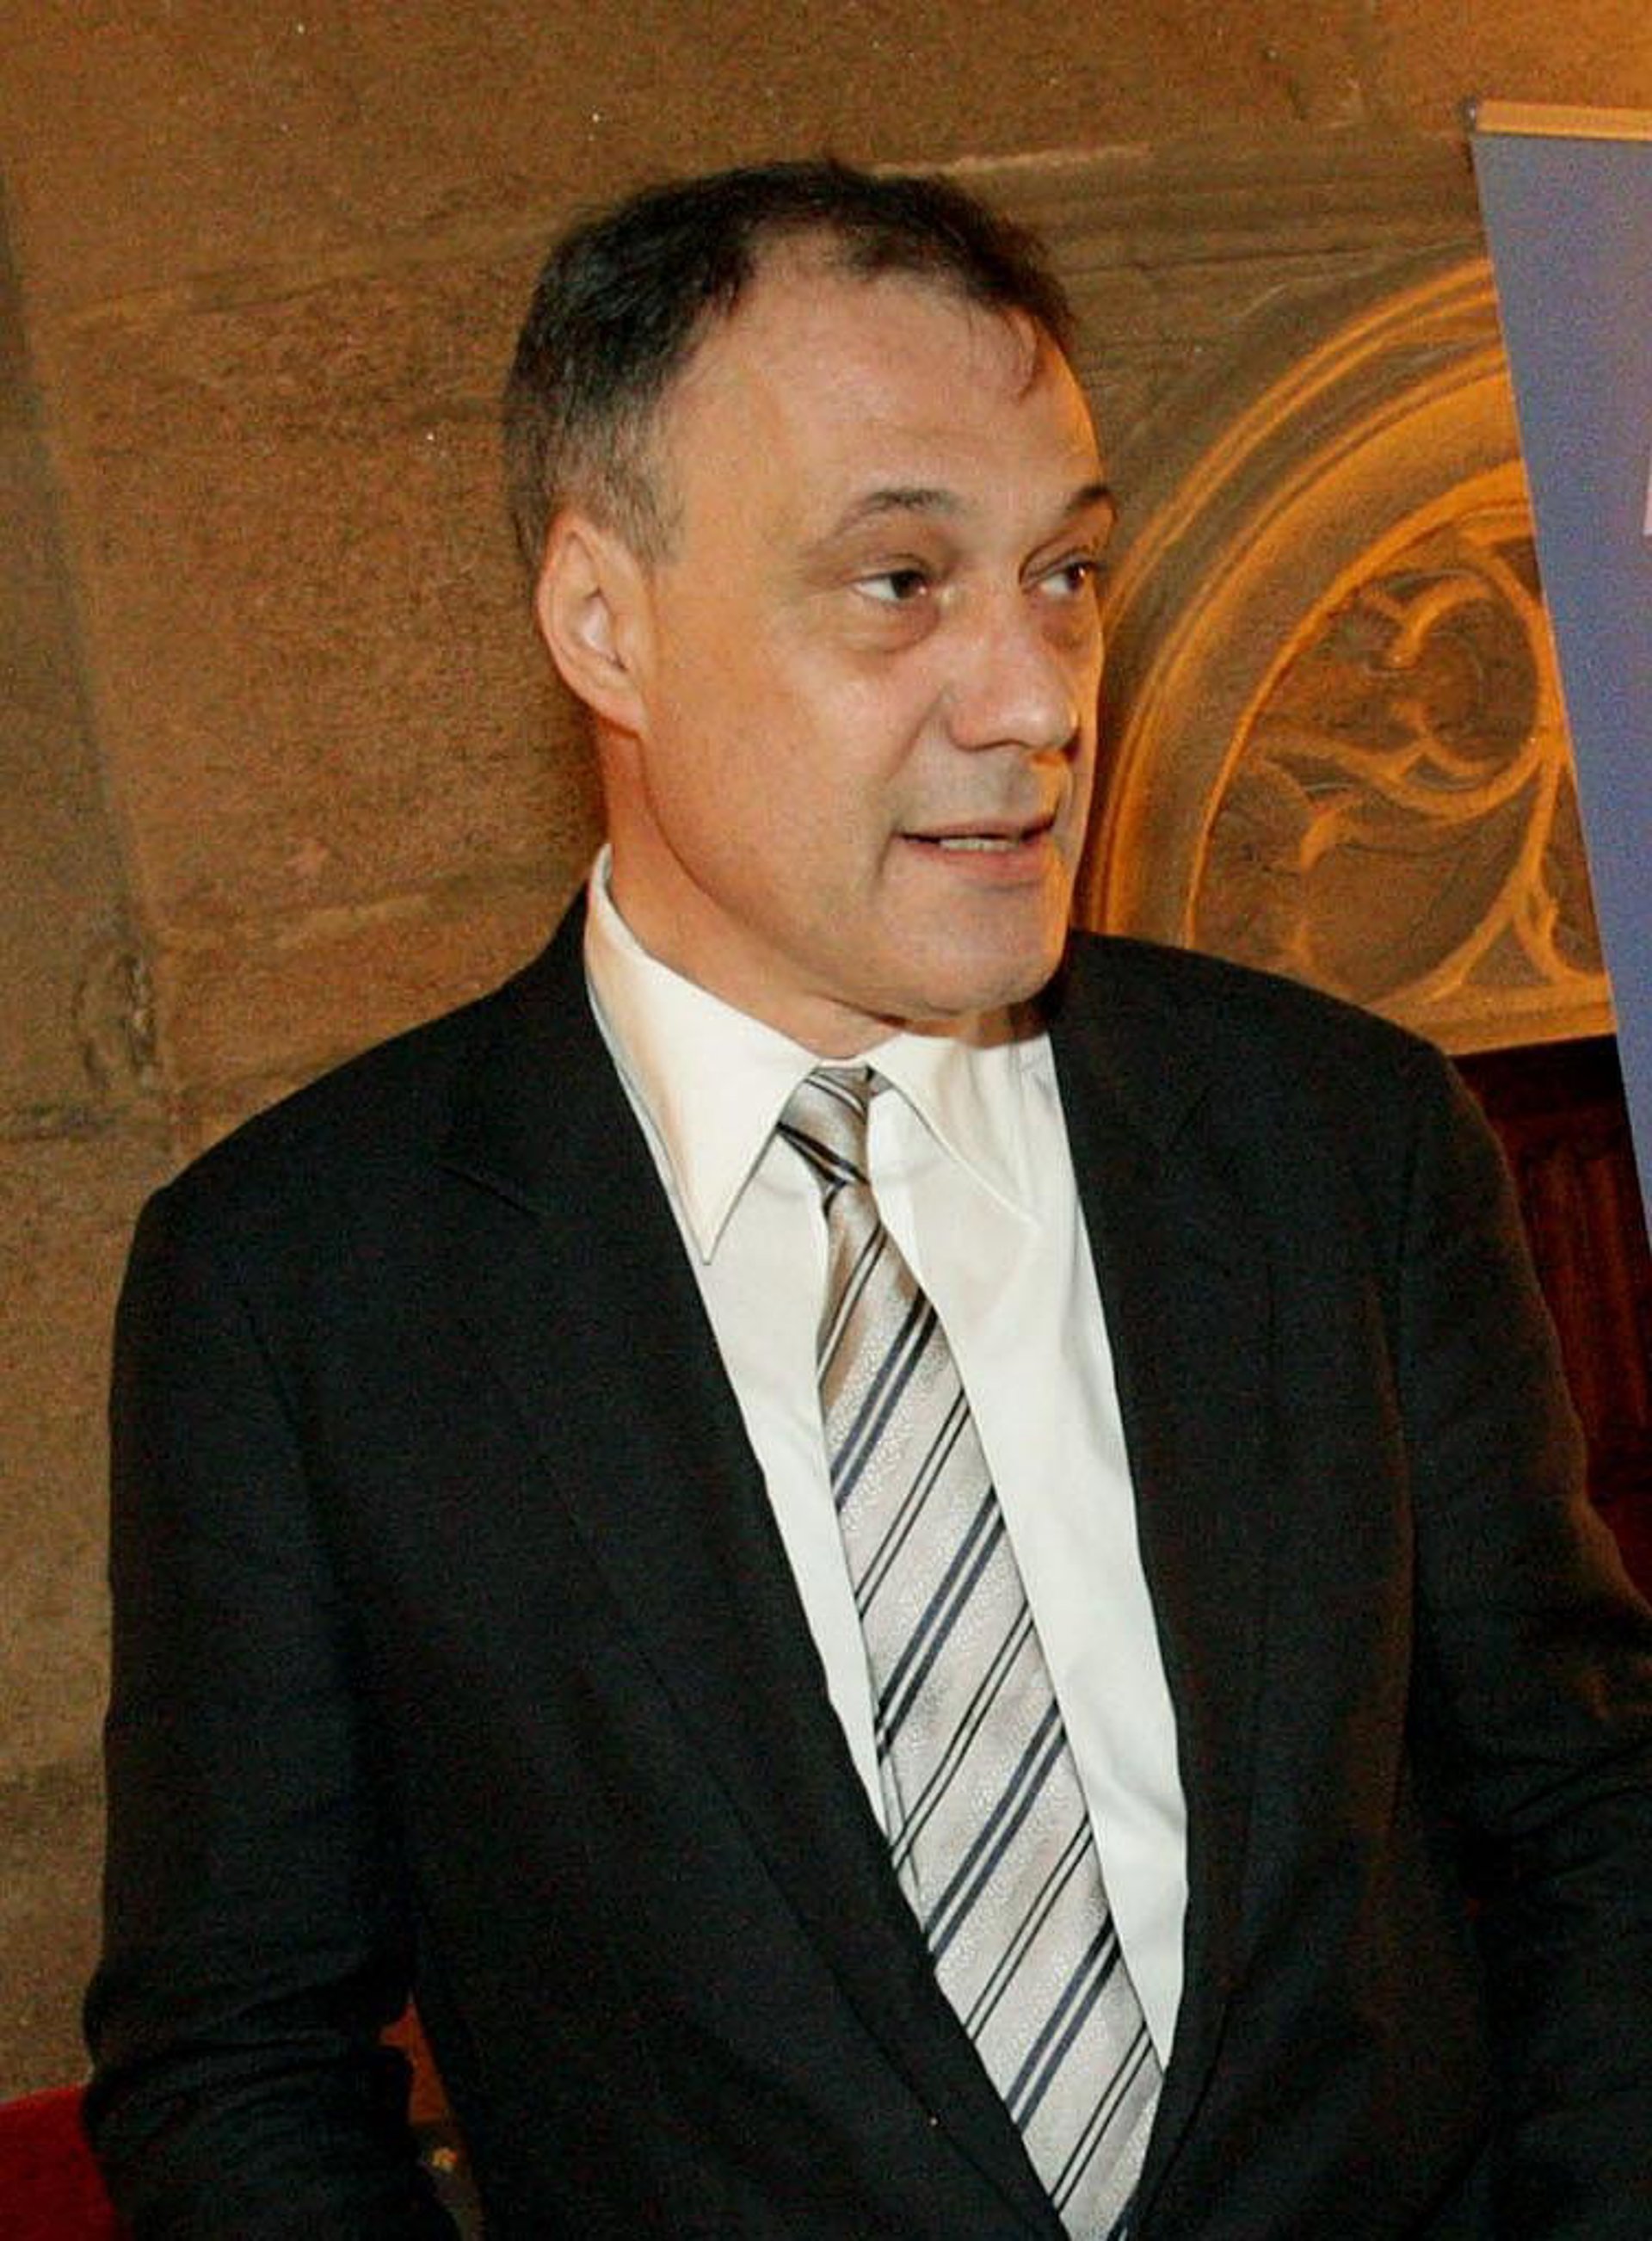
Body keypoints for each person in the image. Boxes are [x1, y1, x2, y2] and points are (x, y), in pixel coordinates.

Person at [84, 158, 1652, 2239]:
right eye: (901, 582)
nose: (1038, 698)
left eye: (1067, 575)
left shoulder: (1338, 1140)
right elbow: (235, 2063)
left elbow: (1588, 1814)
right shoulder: (303, 1288)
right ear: (605, 622)